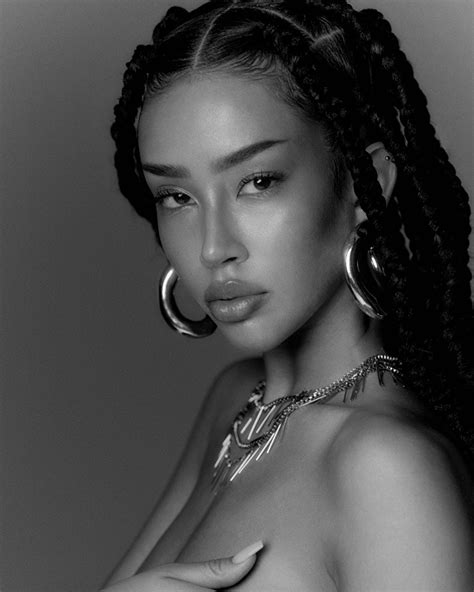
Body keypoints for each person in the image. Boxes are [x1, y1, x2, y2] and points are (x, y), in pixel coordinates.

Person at [103, 0, 474, 589]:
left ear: (365, 186)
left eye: (257, 182)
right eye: (177, 196)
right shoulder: (236, 401)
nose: (213, 248)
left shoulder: (386, 467)